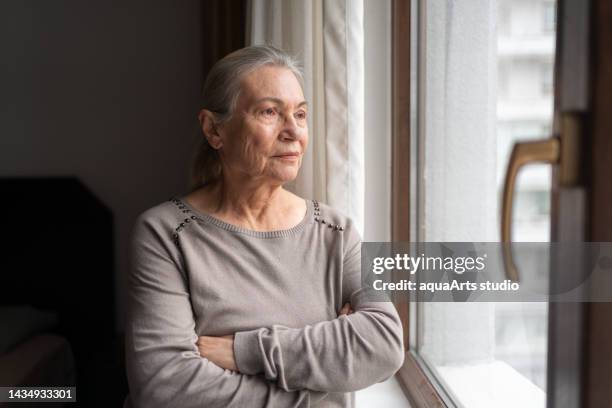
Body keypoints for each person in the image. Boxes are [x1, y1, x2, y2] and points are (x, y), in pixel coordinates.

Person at [124, 45, 404, 408]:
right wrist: (325, 381)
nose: (293, 131)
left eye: (300, 114)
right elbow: (166, 388)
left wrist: (244, 353)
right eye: (270, 112)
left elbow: (384, 346)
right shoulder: (165, 234)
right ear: (214, 130)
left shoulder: (337, 233)